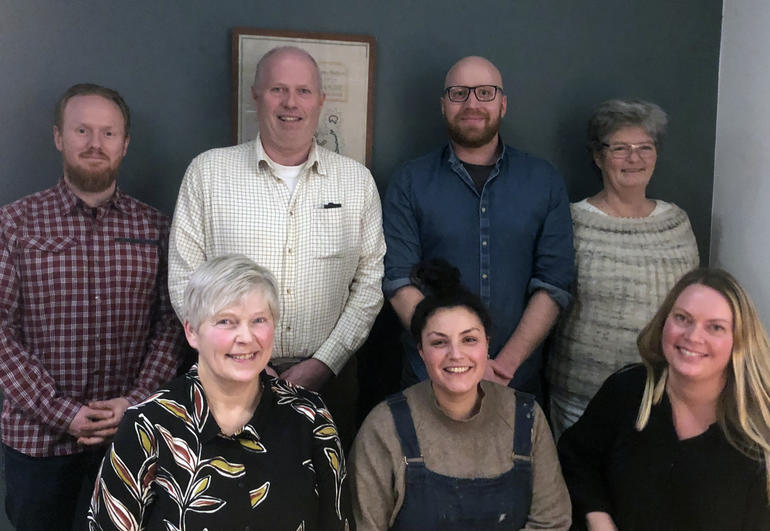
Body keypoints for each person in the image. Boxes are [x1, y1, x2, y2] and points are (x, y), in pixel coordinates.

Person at [168, 46, 385, 444]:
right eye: (277, 89)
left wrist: (325, 362)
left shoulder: (357, 182)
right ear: (256, 96)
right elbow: (185, 280)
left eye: (303, 91)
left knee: (323, 482)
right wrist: (243, 361)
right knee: (224, 483)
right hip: (225, 378)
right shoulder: (208, 173)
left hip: (329, 383)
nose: (290, 102)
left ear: (320, 100)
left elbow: (369, 284)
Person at [0, 83, 183, 530]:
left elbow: (172, 324)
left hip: (131, 438)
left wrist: (135, 403)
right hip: (38, 442)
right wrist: (63, 413)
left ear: (125, 143)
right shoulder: (14, 224)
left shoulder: (157, 228)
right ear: (59, 137)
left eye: (108, 133)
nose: (95, 143)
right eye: (82, 130)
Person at [88, 254, 353, 529]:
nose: (246, 337)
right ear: (192, 332)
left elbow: (338, 522)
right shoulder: (146, 425)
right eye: (226, 321)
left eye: (259, 320)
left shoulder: (310, 415)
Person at [383, 55, 574, 399]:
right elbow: (399, 282)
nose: (472, 104)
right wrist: (457, 358)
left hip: (515, 380)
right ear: (443, 105)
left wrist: (502, 366)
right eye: (458, 93)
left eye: (485, 92)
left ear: (503, 104)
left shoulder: (544, 181)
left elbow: (554, 284)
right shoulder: (409, 182)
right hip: (428, 380)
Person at [350, 260, 571, 530]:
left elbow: (552, 522)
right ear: (421, 352)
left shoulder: (526, 417)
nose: (456, 354)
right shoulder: (384, 427)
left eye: (469, 340)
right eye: (439, 342)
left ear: (487, 345)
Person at [558, 268, 770, 531]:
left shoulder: (759, 431)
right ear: (664, 322)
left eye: (715, 327)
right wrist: (598, 518)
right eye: (682, 318)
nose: (693, 337)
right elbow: (576, 461)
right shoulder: (627, 389)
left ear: (740, 341)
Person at [547, 99, 699, 438]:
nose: (634, 158)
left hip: (660, 394)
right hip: (580, 396)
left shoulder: (677, 223)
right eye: (620, 148)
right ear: (598, 157)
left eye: (645, 147)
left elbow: (691, 309)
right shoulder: (571, 223)